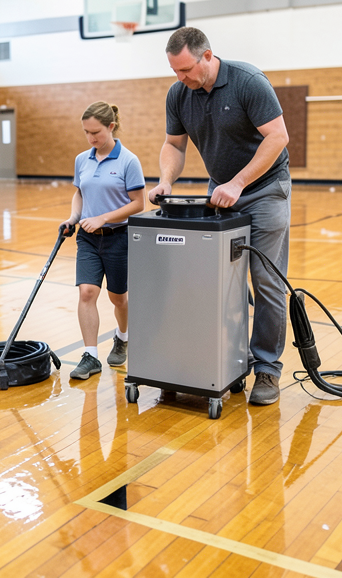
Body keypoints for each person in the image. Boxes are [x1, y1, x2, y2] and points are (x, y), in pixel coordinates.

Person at [149, 27, 291, 405]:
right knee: (217, 281)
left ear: (207, 56)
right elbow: (173, 145)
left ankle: (266, 370)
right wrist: (166, 180)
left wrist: (239, 183)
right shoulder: (180, 94)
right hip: (222, 193)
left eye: (186, 70)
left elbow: (277, 138)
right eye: (175, 72)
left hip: (263, 191)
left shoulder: (248, 82)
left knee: (266, 281)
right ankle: (228, 358)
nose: (181, 79)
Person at [59, 102, 146, 380]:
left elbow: (138, 204)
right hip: (87, 238)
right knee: (87, 293)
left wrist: (104, 218)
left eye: (95, 132)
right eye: (86, 132)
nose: (91, 138)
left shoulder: (128, 161)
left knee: (118, 298)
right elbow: (80, 193)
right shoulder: (82, 159)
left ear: (111, 127)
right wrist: (74, 217)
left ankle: (122, 337)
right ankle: (90, 356)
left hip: (118, 237)